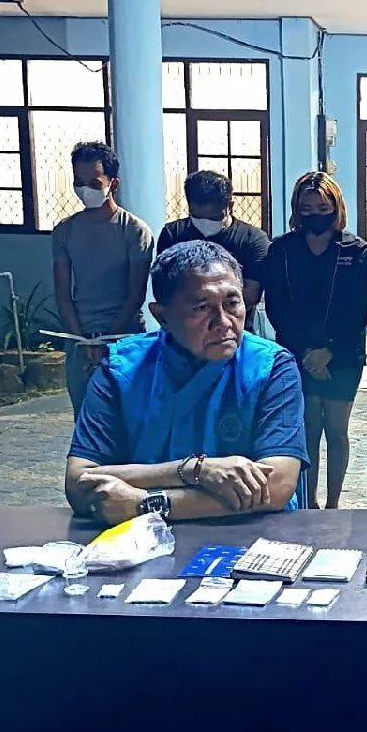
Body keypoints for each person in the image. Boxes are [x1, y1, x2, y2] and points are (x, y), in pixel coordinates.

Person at [65, 241, 308, 524]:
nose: (223, 322)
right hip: (138, 540)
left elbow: (277, 485)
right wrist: (194, 470)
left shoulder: (271, 367)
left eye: (232, 303)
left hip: (251, 533)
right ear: (162, 316)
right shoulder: (120, 370)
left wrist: (145, 503)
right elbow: (79, 482)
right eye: (201, 307)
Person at [261, 172, 367, 509]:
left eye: (323, 208)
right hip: (298, 353)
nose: (315, 215)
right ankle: (309, 502)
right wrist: (308, 353)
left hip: (344, 354)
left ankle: (333, 503)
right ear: (297, 209)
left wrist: (329, 351)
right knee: (307, 430)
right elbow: (277, 306)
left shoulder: (355, 250)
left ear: (336, 207)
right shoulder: (281, 250)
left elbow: (359, 308)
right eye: (307, 209)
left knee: (336, 430)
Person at [52, 141, 154, 416]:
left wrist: (106, 342)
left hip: (124, 337)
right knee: (86, 419)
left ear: (113, 184)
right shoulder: (65, 231)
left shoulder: (134, 231)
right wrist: (82, 341)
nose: (85, 190)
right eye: (79, 183)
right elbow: (63, 295)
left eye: (94, 183)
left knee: (129, 417)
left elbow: (135, 294)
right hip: (80, 340)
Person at [157, 170, 270, 331]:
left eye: (214, 218)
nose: (205, 223)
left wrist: (203, 310)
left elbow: (250, 295)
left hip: (232, 330)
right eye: (197, 217)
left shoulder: (253, 239)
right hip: (186, 331)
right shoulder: (173, 234)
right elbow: (165, 288)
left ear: (230, 206)